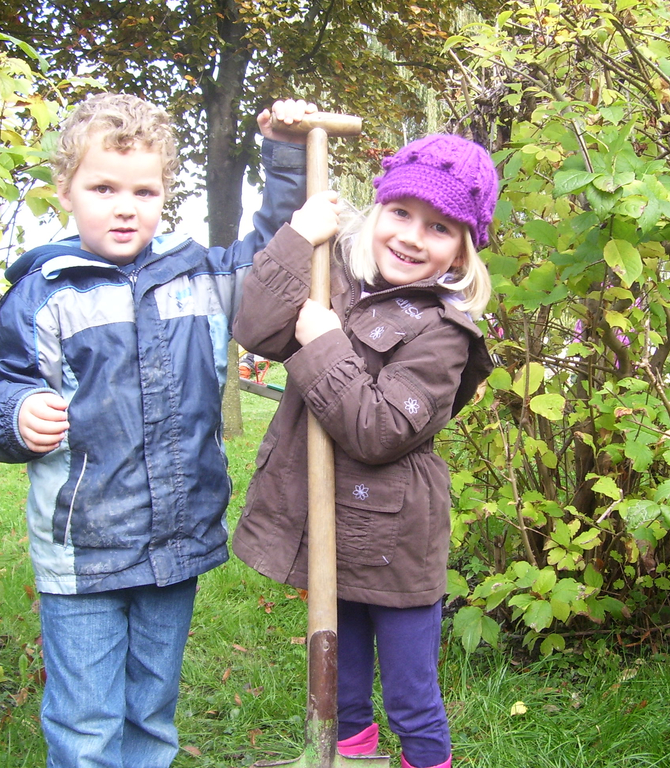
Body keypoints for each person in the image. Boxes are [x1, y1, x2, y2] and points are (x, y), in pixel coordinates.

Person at [0, 92, 313, 768]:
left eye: (144, 191)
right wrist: (17, 413)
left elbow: (274, 257)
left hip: (176, 542)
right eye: (103, 188)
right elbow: (3, 388)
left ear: (165, 194)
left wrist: (284, 155)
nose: (124, 206)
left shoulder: (200, 276)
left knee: (151, 715)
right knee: (86, 724)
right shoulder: (45, 292)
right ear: (65, 191)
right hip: (85, 551)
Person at [232, 133, 498, 768]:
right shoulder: (334, 277)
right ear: (378, 211)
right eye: (401, 212)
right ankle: (347, 756)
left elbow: (380, 430)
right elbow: (255, 330)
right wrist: (297, 238)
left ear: (463, 250)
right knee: (340, 685)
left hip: (396, 542)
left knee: (410, 696)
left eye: (438, 227)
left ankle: (425, 759)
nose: (412, 236)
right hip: (333, 525)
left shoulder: (444, 333)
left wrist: (324, 342)